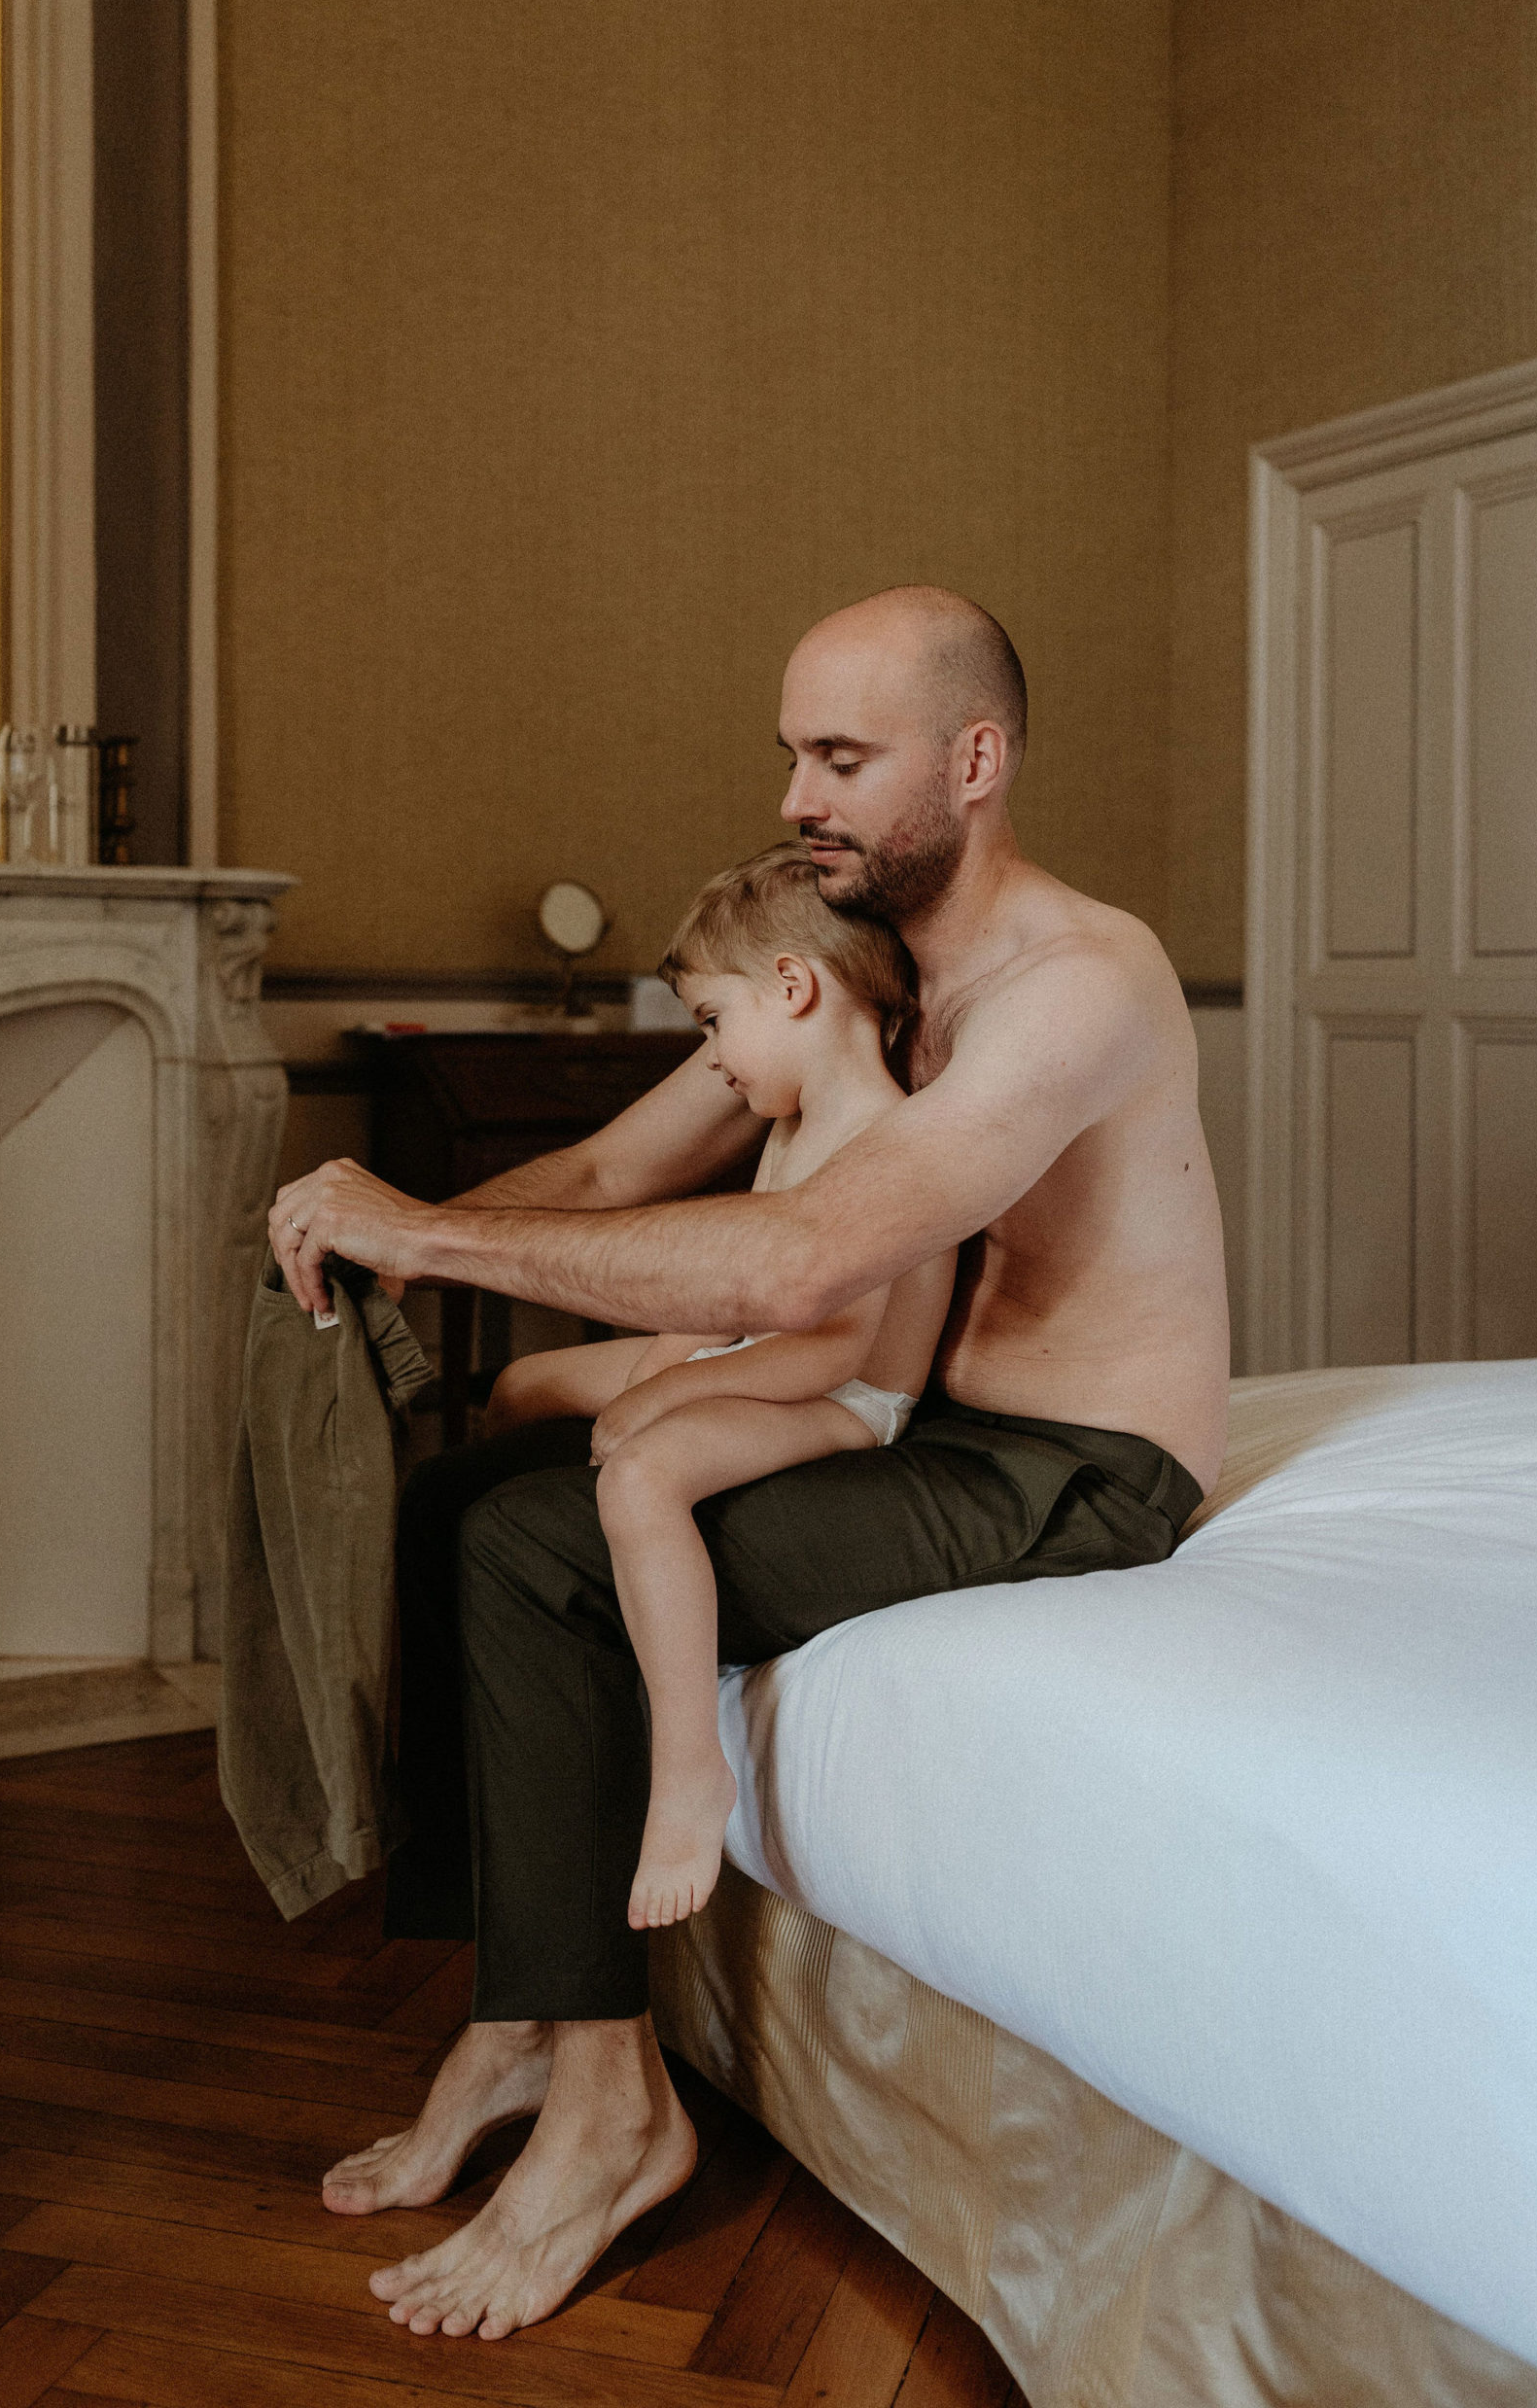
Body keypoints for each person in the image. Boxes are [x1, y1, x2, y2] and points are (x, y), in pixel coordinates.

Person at [269, 582, 1230, 2344]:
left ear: (974, 763)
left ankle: (610, 2109)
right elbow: (610, 1175)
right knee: (464, 1495)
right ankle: (517, 2013)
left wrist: (432, 1235)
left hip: (1065, 1466)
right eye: (792, 753)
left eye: (840, 759)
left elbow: (801, 1266)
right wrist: (378, 1233)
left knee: (540, 1549)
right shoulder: (853, 959)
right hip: (916, 1424)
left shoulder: (1073, 987)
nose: (795, 794)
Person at [485, 843, 956, 1933]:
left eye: (711, 1022)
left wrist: (663, 1401)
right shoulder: (791, 1121)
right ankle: (515, 1588)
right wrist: (659, 1364)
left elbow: (826, 1351)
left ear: (792, 988)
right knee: (524, 1385)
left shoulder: (884, 1139)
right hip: (760, 1353)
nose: (713, 1060)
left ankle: (688, 1764)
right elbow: (730, 1290)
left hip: (844, 1400)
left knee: (644, 1475)